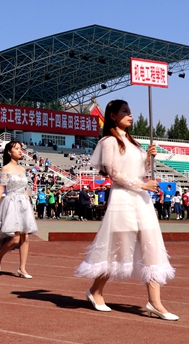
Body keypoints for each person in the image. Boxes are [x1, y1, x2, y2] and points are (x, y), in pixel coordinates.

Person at [75, 99, 177, 320]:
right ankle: (96, 291)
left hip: (141, 200)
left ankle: (155, 302)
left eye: (130, 111)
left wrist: (148, 158)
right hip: (122, 199)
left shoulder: (134, 143)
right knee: (116, 247)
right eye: (125, 111)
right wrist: (142, 185)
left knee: (151, 244)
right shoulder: (109, 141)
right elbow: (114, 174)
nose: (130, 115)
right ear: (113, 115)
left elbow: (141, 171)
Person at [0, 141, 37, 278]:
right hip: (11, 202)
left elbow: (25, 189)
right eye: (16, 148)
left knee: (25, 236)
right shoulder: (6, 169)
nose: (20, 151)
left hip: (23, 203)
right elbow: (1, 188)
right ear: (9, 152)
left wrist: (29, 205)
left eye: (21, 149)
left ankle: (22, 268)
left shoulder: (23, 170)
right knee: (15, 238)